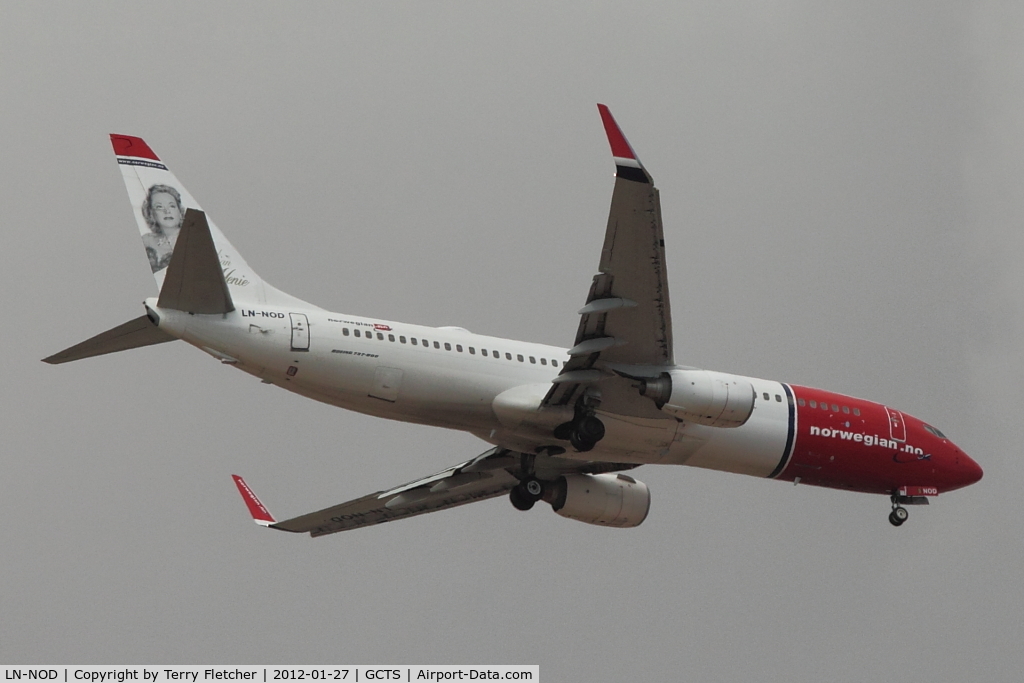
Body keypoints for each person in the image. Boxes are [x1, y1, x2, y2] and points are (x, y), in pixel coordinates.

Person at [141, 184, 184, 272]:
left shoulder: (192, 239)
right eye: (159, 207)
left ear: (180, 211)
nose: (167, 211)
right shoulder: (146, 240)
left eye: (172, 206)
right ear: (151, 214)